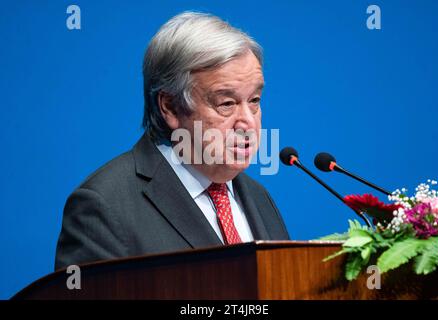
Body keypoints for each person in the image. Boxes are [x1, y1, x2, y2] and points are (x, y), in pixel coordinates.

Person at [55, 11, 290, 270]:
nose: (247, 122)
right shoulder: (105, 206)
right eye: (227, 103)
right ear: (170, 107)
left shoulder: (258, 197)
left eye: (254, 101)